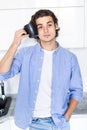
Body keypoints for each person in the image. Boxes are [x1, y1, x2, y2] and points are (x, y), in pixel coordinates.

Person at [0, 9, 83, 130]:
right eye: (40, 26)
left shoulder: (70, 58)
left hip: (59, 123)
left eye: (49, 24)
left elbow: (77, 91)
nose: (45, 30)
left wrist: (67, 116)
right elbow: (2, 74)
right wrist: (15, 44)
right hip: (32, 122)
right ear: (34, 31)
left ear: (56, 26)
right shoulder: (25, 54)